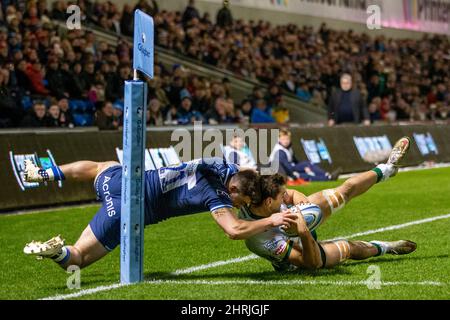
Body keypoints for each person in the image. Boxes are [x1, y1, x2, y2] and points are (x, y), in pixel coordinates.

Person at [22, 158, 297, 270]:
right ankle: (58, 252)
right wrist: (271, 220)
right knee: (78, 259)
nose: (239, 205)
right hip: (129, 210)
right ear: (233, 188)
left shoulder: (226, 166)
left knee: (102, 165)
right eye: (241, 200)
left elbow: (250, 174)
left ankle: (45, 173)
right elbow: (234, 231)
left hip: (121, 180)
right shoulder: (216, 195)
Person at [239, 137, 416, 272]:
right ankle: (385, 247)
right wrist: (303, 231)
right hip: (298, 254)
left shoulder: (259, 194)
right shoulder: (264, 241)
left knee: (343, 191)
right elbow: (310, 263)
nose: (286, 196)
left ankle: (388, 169)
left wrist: (303, 204)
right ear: (269, 202)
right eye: (281, 196)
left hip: (296, 219)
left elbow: (291, 193)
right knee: (349, 248)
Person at [269, 129, 341, 185]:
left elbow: (295, 161)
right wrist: (294, 174)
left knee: (307, 165)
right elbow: (286, 166)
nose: (286, 141)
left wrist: (303, 167)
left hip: (289, 168)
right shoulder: (279, 151)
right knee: (305, 175)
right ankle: (328, 177)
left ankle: (327, 175)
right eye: (283, 139)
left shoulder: (288, 148)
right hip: (284, 173)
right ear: (279, 140)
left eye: (287, 139)